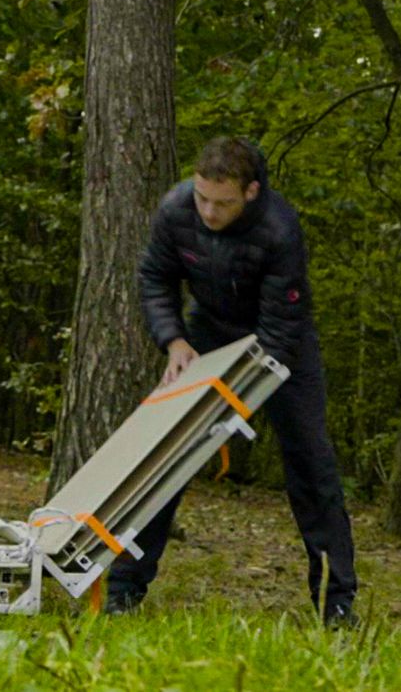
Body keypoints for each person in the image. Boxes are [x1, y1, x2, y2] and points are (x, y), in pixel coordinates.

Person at [106, 136, 358, 626]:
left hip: (282, 342)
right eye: (202, 197)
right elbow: (155, 276)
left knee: (311, 461)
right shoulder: (175, 210)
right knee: (167, 452)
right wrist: (174, 341)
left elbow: (281, 326)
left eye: (222, 203)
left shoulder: (279, 228)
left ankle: (337, 600)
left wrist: (238, 395)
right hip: (207, 332)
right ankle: (123, 587)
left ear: (250, 192)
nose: (208, 212)